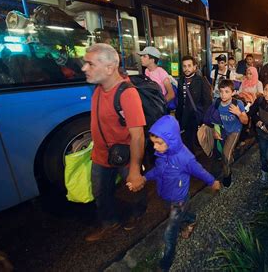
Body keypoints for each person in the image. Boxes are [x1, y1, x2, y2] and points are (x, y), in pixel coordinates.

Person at [135, 115, 221, 271]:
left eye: (158, 143)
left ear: (171, 140)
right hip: (166, 194)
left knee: (170, 231)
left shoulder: (185, 158)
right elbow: (158, 171)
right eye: (154, 143)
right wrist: (144, 178)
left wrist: (212, 181)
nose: (155, 147)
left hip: (179, 198)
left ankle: (167, 261)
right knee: (182, 214)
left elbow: (199, 171)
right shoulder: (162, 154)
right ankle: (191, 219)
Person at [81, 43, 146, 242]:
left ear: (109, 68)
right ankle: (109, 223)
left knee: (134, 188)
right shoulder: (98, 88)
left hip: (123, 156)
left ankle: (137, 213)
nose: (84, 68)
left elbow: (138, 136)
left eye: (90, 64)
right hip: (100, 155)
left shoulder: (127, 93)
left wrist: (135, 170)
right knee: (100, 193)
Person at [205, 79, 249, 187]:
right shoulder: (217, 102)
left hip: (234, 131)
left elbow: (245, 121)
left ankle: (227, 175)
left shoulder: (237, 103)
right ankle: (229, 158)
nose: (223, 95)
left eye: (227, 91)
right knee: (222, 153)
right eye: (221, 91)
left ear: (233, 92)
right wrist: (215, 131)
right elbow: (213, 118)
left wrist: (238, 113)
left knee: (225, 155)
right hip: (223, 130)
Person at [176, 55, 212, 152]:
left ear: (194, 67)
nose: (186, 69)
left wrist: (205, 119)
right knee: (187, 142)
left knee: (197, 142)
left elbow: (207, 101)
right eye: (184, 66)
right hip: (185, 116)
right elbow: (180, 101)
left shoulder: (201, 81)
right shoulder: (180, 81)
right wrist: (178, 117)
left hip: (197, 116)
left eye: (189, 66)